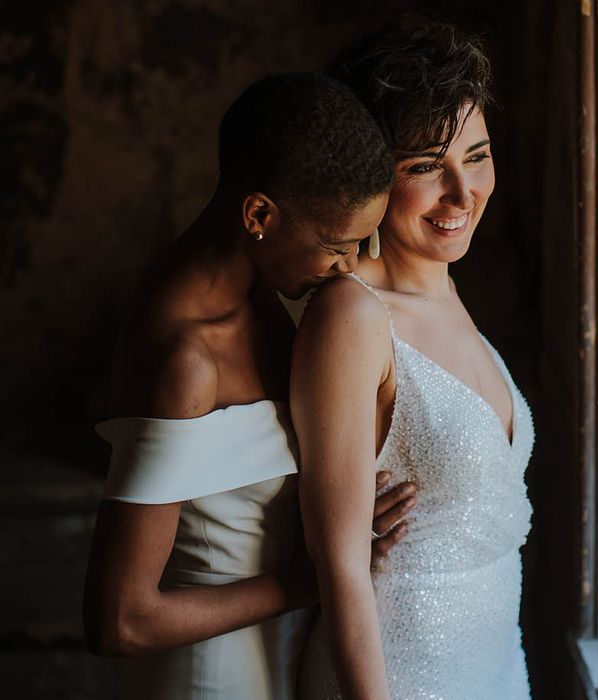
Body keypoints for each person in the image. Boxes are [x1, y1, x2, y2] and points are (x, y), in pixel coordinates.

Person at [82, 72, 418, 700]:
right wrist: (317, 574)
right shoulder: (184, 361)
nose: (348, 270)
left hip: (282, 652)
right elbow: (119, 621)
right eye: (335, 247)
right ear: (259, 213)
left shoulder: (263, 299)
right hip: (207, 677)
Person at [292, 18, 534, 700]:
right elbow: (337, 562)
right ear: (373, 176)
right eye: (426, 167)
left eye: (477, 156)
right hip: (398, 674)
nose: (463, 194)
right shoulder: (350, 313)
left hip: (496, 669)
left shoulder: (448, 290)